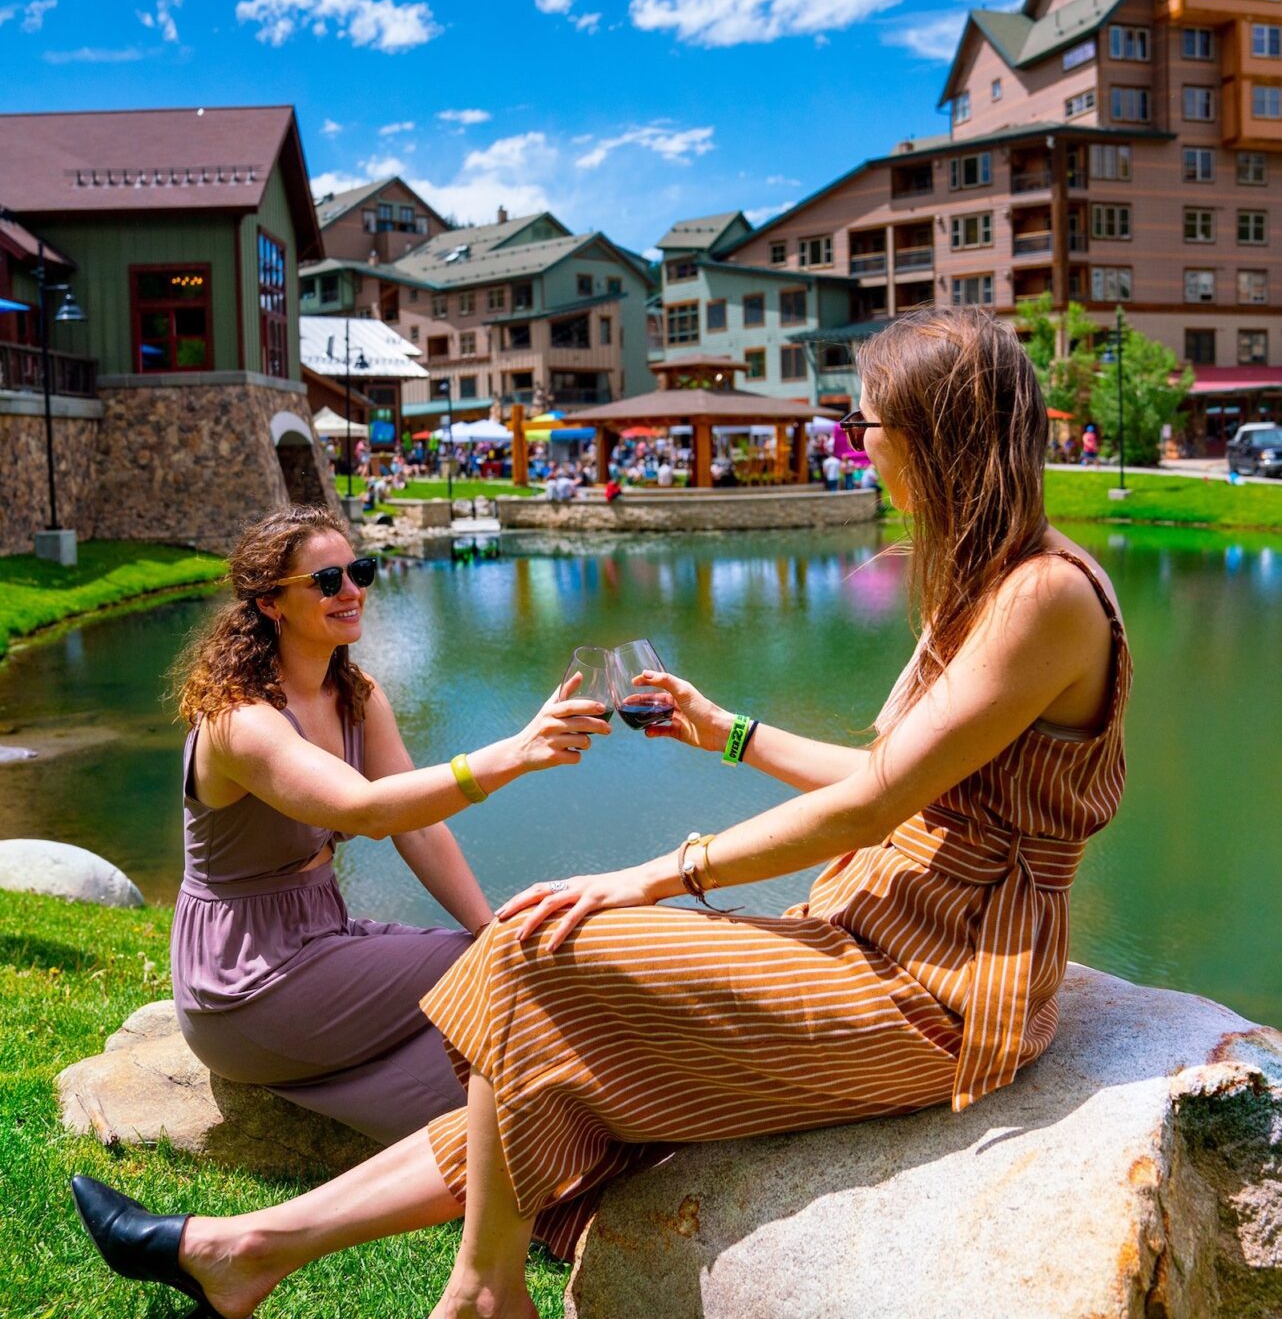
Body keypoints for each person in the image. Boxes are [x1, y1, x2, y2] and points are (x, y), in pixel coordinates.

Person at [73, 310, 1131, 1319]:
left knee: (524, 958)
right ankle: (246, 1251)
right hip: (868, 935)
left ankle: (473, 1288)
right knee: (543, 1009)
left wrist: (657, 873)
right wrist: (726, 729)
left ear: (935, 436)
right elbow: (889, 774)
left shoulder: (1042, 594)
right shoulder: (984, 586)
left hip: (940, 988)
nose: (853, 446)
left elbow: (876, 799)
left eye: (865, 424)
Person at [157, 506, 610, 1150]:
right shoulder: (241, 722)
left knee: (490, 1004)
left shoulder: (356, 695)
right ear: (269, 604)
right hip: (245, 980)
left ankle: (527, 1145)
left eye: (359, 571)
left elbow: (415, 828)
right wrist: (515, 752)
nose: (351, 592)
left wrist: (486, 927)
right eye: (327, 580)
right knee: (490, 971)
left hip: (322, 937)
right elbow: (366, 810)